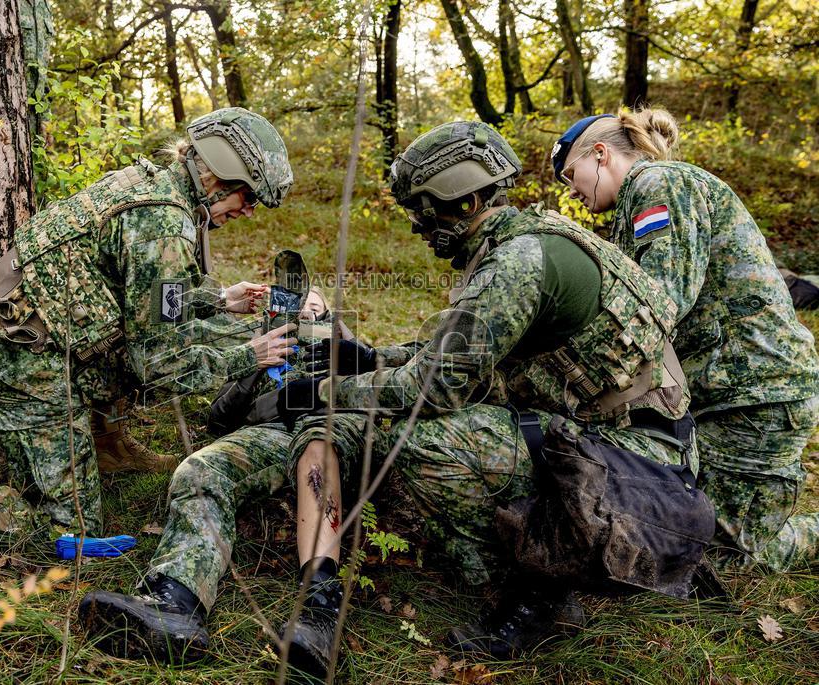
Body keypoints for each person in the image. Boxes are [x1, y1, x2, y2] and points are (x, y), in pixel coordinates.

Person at [275, 121, 709, 673]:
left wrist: (322, 392)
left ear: (466, 199)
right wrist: (370, 356)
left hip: (636, 468)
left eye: (424, 210)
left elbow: (433, 389)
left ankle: (532, 586)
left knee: (419, 439)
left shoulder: (516, 264)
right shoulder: (527, 243)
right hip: (623, 443)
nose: (419, 228)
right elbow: (460, 352)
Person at [0, 107, 297, 564]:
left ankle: (104, 443)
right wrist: (248, 356)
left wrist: (219, 300)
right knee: (64, 531)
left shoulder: (155, 186)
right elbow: (160, 365)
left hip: (42, 326)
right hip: (23, 356)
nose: (248, 210)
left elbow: (146, 292)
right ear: (221, 177)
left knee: (179, 335)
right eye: (249, 197)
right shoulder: (162, 224)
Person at [76, 259, 407, 672]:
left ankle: (320, 613)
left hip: (333, 424)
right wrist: (255, 363)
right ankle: (174, 602)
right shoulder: (265, 345)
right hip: (271, 434)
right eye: (296, 305)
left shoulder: (350, 348)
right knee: (199, 470)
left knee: (317, 450)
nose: (305, 310)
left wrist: (356, 355)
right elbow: (218, 419)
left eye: (314, 305)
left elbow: (404, 380)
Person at [551, 109, 819, 571]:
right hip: (718, 397)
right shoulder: (638, 204)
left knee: (718, 557)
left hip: (758, 397)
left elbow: (658, 305)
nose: (570, 190)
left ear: (600, 154)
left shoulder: (659, 185)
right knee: (676, 527)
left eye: (571, 174)